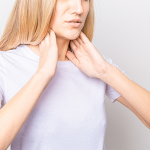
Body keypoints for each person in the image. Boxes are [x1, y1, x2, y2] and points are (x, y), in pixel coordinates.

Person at [0, 0, 149, 150]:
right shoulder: (6, 64)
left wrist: (106, 71)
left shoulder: (95, 65)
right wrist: (43, 74)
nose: (79, 9)